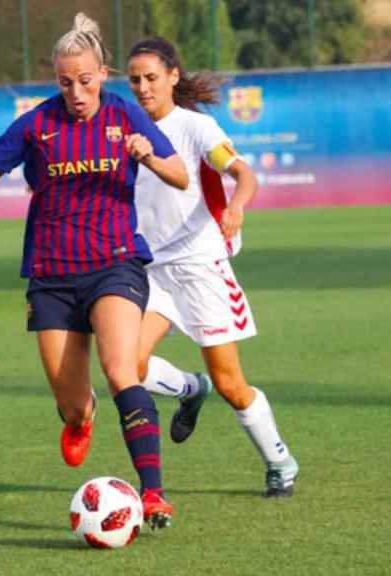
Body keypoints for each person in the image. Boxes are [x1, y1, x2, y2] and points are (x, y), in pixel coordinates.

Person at [0, 13, 189, 529]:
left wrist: (151, 156)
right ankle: (81, 414)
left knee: (122, 370)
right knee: (72, 406)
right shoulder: (37, 124)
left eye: (86, 80)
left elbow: (181, 175)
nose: (76, 91)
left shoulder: (124, 117)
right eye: (65, 81)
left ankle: (154, 494)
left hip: (115, 263)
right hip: (51, 274)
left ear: (102, 73)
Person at [127, 37, 300, 497]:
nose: (143, 87)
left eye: (151, 77)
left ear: (173, 76)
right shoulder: (128, 130)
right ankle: (188, 390)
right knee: (127, 364)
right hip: (151, 271)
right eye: (135, 80)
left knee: (231, 385)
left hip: (201, 266)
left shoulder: (196, 128)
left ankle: (280, 462)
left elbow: (243, 173)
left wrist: (237, 206)